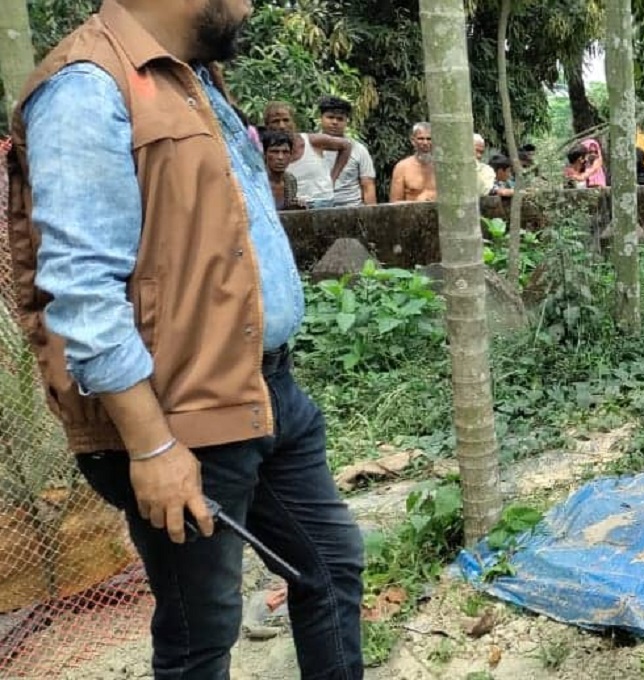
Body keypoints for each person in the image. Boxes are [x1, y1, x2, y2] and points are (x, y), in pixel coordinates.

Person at [7, 1, 365, 677]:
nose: (249, 5)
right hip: (178, 418)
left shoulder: (189, 77)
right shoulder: (86, 87)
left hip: (263, 388)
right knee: (202, 634)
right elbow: (81, 292)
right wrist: (152, 445)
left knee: (330, 566)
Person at [262, 100, 351, 209]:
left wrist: (333, 178)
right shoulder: (263, 150)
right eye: (276, 121)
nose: (282, 126)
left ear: (293, 122)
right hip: (294, 206)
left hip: (322, 202)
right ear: (267, 125)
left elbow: (346, 146)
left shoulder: (312, 141)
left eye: (286, 120)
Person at [316, 95, 377, 207]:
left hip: (352, 208)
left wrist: (371, 218)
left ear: (346, 121)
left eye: (340, 119)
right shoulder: (308, 147)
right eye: (330, 117)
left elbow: (368, 186)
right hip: (318, 208)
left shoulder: (359, 150)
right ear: (321, 118)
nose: (335, 122)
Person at [388, 122, 437, 202]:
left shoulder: (443, 168)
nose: (425, 143)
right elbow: (395, 203)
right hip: (412, 213)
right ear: (413, 141)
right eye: (421, 139)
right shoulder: (402, 167)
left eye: (429, 139)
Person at [262, 129, 305, 211]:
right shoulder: (257, 181)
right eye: (274, 151)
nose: (280, 157)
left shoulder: (290, 180)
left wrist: (296, 206)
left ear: (290, 155)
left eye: (285, 152)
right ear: (265, 154)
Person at [473, 133, 495, 198]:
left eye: (481, 152)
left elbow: (482, 191)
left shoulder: (487, 170)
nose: (479, 155)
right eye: (476, 151)